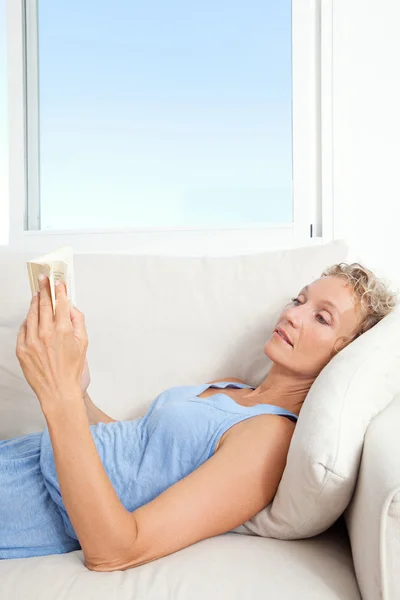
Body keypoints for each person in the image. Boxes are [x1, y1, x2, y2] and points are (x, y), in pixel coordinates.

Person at [0, 262, 397, 563]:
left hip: (29, 501)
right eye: (300, 300)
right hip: (21, 455)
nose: (292, 315)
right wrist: (80, 392)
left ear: (344, 355)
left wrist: (59, 396)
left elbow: (118, 549)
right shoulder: (235, 388)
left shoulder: (269, 438)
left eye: (321, 318)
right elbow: (134, 452)